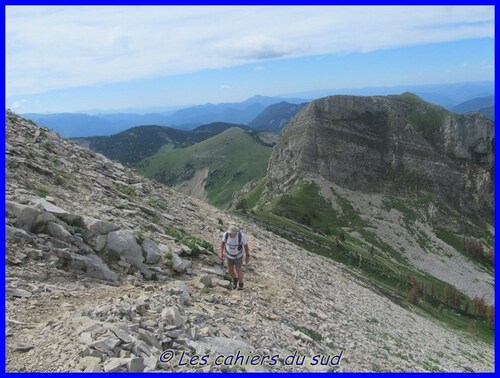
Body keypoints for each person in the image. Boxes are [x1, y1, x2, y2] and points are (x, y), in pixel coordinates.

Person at [220, 225, 250, 290]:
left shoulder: (241, 236)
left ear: (236, 232)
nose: (230, 234)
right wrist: (221, 253)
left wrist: (247, 256)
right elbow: (222, 243)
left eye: (232, 233)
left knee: (238, 270)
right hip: (229, 256)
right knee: (230, 270)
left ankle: (241, 284)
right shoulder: (226, 235)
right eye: (229, 233)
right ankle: (235, 279)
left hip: (238, 256)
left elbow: (246, 246)